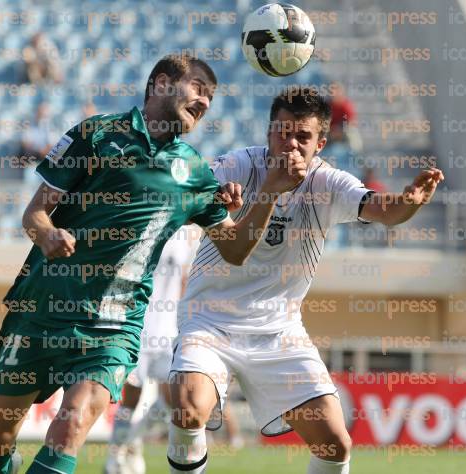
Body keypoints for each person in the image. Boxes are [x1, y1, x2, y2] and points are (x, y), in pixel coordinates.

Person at [0, 54, 307, 474]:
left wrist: (270, 192)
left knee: (71, 426)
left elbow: (236, 249)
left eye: (212, 97)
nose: (205, 102)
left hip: (114, 325)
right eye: (199, 88)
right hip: (42, 309)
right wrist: (48, 234)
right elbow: (34, 213)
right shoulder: (95, 135)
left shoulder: (196, 174)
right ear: (162, 84)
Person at [167, 86, 444, 474]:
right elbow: (223, 228)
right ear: (268, 134)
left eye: (303, 136)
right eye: (283, 132)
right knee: (187, 408)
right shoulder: (236, 167)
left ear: (321, 144)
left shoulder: (328, 183)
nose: (291, 144)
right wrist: (254, 193)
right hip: (210, 320)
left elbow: (382, 210)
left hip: (279, 330)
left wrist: (408, 203)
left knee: (335, 442)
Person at [104, 227, 199, 474]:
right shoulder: (143, 225)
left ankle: (133, 440)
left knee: (176, 403)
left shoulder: (188, 235)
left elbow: (185, 282)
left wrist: (186, 323)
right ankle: (114, 461)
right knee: (130, 400)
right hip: (138, 329)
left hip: (168, 333)